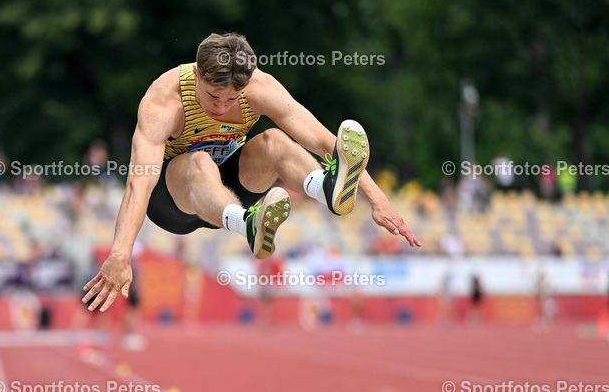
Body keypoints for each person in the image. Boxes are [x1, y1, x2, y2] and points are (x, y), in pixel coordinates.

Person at [83, 32, 420, 312]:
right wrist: (121, 254)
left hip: (230, 187)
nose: (220, 107)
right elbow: (139, 184)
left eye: (231, 99)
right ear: (197, 74)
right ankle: (246, 224)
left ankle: (325, 190)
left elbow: (323, 140)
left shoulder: (260, 88)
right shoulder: (164, 101)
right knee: (199, 162)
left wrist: (378, 201)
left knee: (275, 141)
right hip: (174, 202)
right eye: (213, 96)